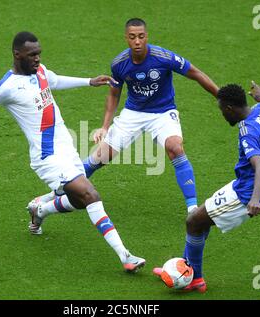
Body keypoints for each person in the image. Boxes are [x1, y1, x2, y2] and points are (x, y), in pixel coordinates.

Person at [0, 31, 146, 273]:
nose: (37, 59)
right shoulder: (6, 87)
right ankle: (125, 256)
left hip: (67, 150)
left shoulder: (39, 72)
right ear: (17, 54)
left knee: (79, 200)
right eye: (32, 55)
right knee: (90, 195)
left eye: (39, 54)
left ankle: (41, 209)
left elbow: (55, 80)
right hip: (47, 158)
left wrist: (89, 81)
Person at [153, 81, 260, 292]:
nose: (223, 115)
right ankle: (185, 269)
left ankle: (195, 278)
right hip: (245, 184)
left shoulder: (248, 131)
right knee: (199, 218)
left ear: (229, 108)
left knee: (193, 221)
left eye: (222, 110)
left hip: (247, 193)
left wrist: (254, 199)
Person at [80, 18, 219, 214]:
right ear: (126, 39)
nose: (137, 41)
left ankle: (193, 208)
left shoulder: (164, 57)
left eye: (141, 37)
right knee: (100, 157)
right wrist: (104, 126)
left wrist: (220, 96)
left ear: (147, 37)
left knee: (175, 147)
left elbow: (195, 73)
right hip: (133, 113)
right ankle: (64, 188)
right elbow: (114, 93)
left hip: (163, 112)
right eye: (132, 37)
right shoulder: (119, 64)